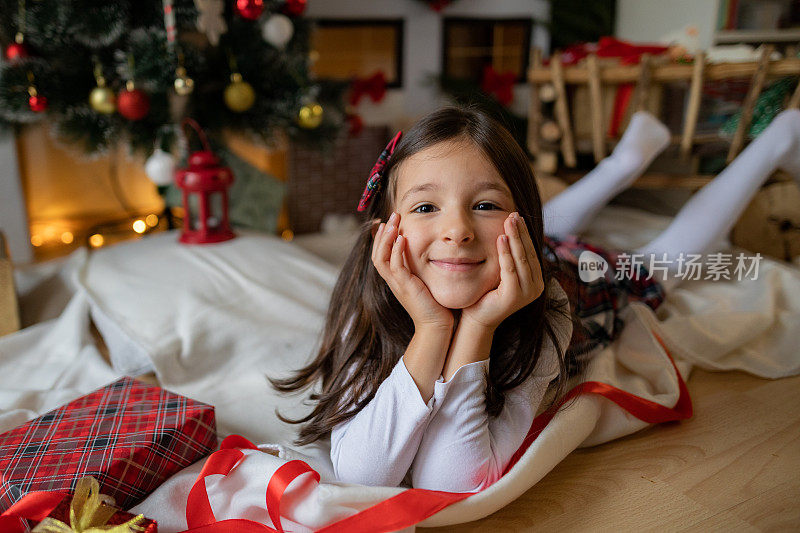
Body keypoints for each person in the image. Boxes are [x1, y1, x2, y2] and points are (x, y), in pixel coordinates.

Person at [270, 104, 800, 493]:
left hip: (567, 274)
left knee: (661, 262)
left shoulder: (550, 312)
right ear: (388, 230)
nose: (455, 229)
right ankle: (625, 160)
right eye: (426, 208)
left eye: (482, 203)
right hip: (511, 253)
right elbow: (361, 472)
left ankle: (779, 134)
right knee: (513, 236)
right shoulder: (368, 301)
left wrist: (476, 327)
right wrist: (432, 328)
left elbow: (451, 479)